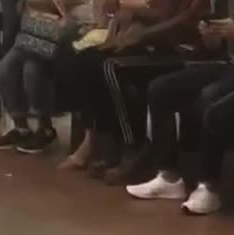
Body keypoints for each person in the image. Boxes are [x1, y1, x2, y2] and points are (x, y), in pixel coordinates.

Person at [126, 0, 234, 214]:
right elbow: (218, 49)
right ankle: (168, 176)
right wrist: (211, 37)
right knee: (160, 89)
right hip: (229, 66)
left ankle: (209, 186)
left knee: (209, 98)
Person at [58, 0, 209, 177]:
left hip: (183, 51)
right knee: (87, 59)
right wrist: (128, 21)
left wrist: (141, 29)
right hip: (158, 42)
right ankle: (111, 139)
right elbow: (155, 11)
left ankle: (135, 145)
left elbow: (185, 20)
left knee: (111, 67)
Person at [0, 0, 94, 154]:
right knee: (5, 68)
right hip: (34, 34)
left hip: (65, 34)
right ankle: (21, 127)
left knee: (32, 69)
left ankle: (45, 128)